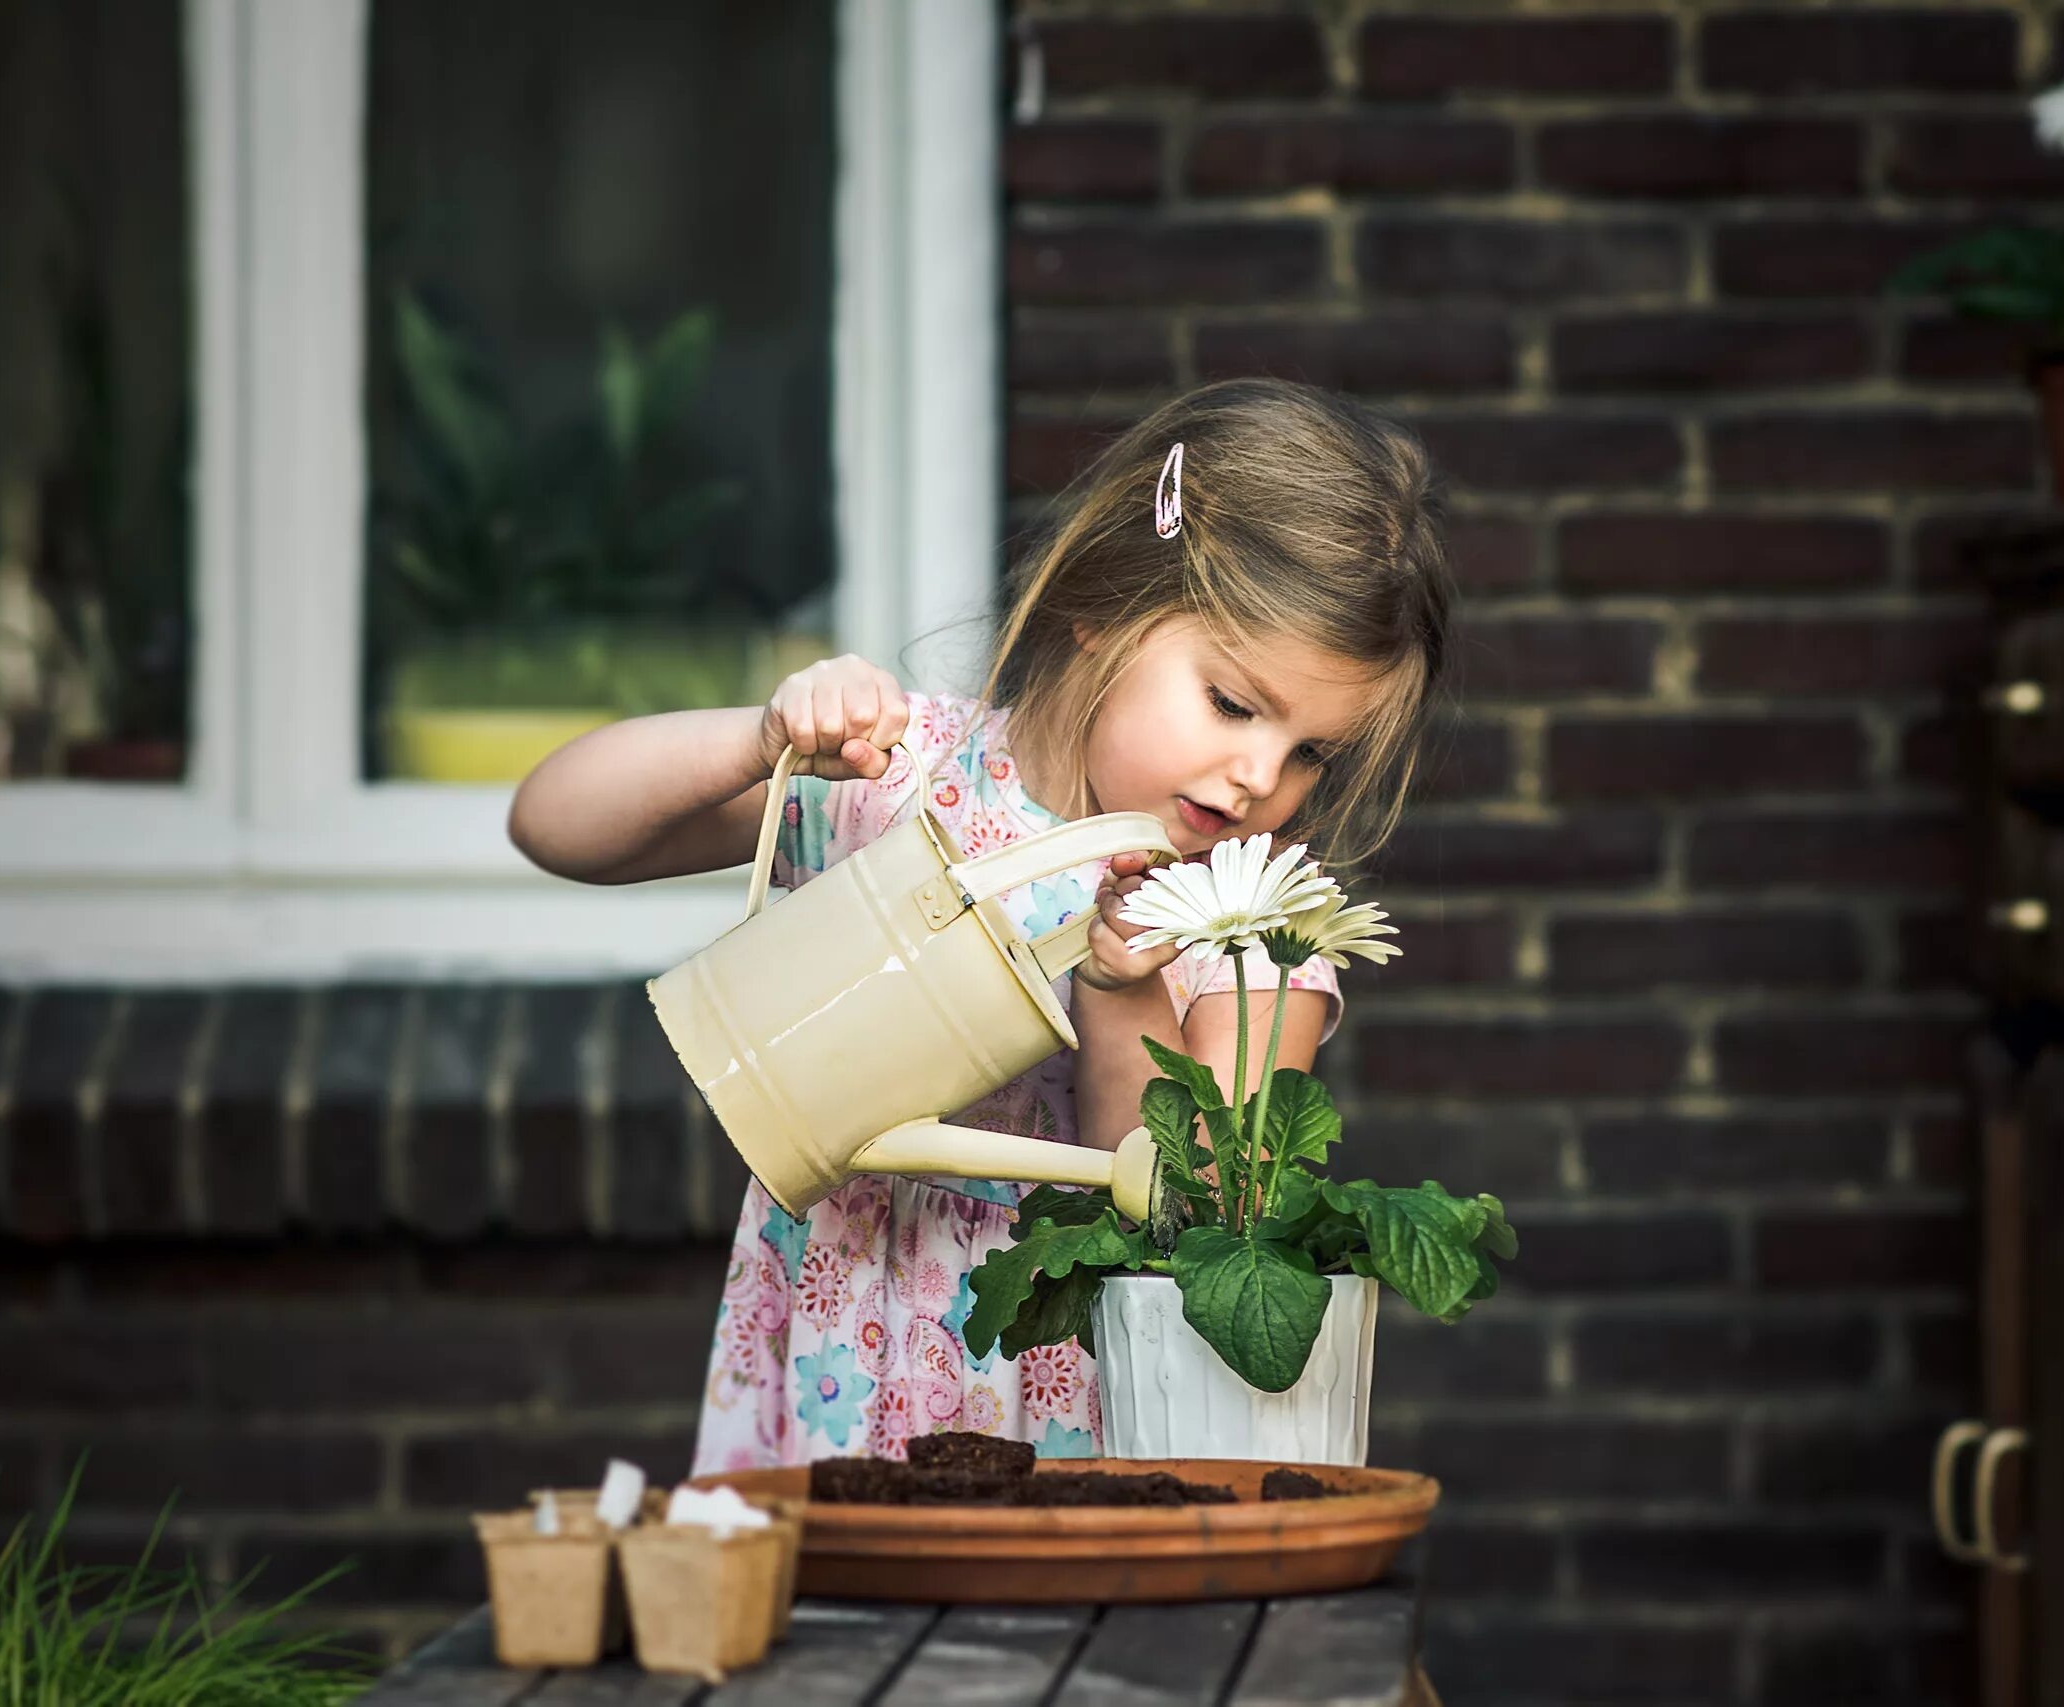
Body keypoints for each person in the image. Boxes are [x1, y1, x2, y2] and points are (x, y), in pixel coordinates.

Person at [509, 378, 1454, 1470]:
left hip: (1067, 1397)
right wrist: (756, 737)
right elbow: (559, 827)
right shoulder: (896, 778)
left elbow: (1193, 1224)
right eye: (1234, 705)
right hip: (837, 1363)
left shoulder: (1255, 924)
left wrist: (1122, 991)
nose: (1258, 777)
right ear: (1097, 611)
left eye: (1311, 754)